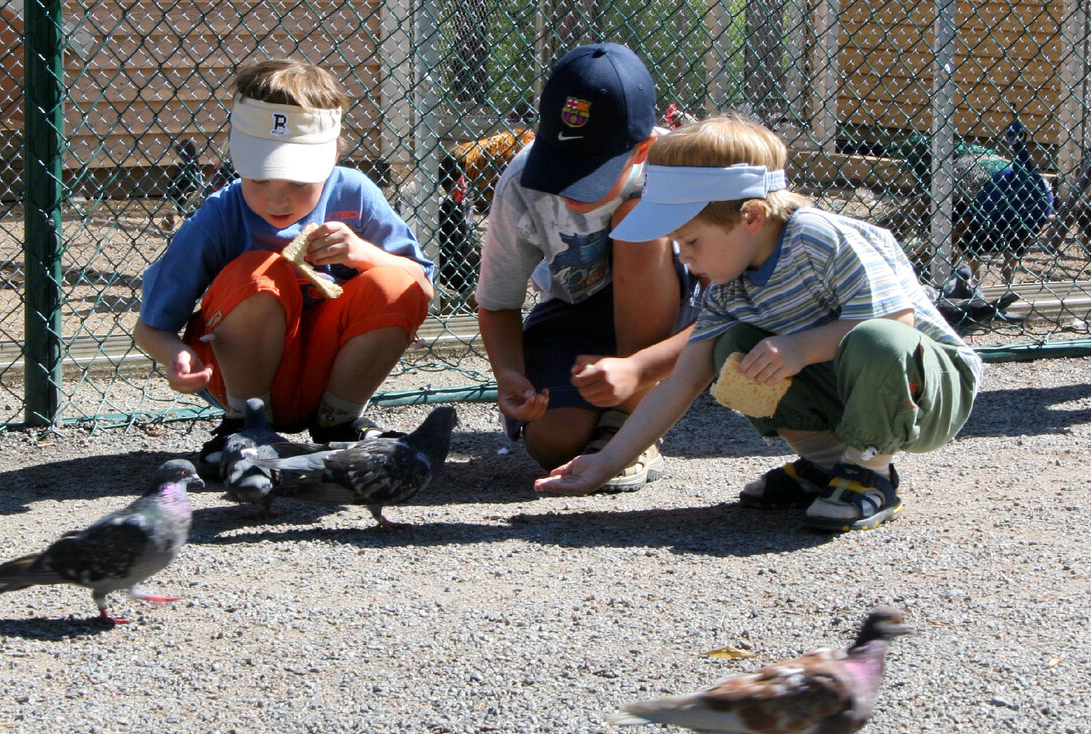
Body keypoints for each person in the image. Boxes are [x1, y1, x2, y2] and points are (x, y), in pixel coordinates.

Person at [536, 113, 981, 532]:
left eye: (690, 241)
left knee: (878, 338)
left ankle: (870, 473)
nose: (683, 257)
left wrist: (800, 348)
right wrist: (607, 461)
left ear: (751, 217)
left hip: (931, 390)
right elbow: (682, 381)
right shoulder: (728, 284)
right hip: (853, 385)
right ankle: (829, 465)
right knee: (732, 344)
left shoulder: (817, 237)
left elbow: (897, 321)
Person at [134, 59, 434, 476]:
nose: (277, 201)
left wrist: (366, 255)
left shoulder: (356, 194)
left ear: (333, 158)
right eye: (259, 179)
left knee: (393, 279)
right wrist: (178, 357)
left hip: (325, 375)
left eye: (297, 181)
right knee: (259, 270)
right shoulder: (222, 212)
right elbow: (149, 327)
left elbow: (418, 284)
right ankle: (245, 427)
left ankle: (339, 422)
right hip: (240, 379)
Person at [476, 43, 702, 492]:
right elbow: (497, 303)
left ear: (643, 150)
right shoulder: (521, 181)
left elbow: (729, 315)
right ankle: (609, 420)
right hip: (576, 310)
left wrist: (638, 369)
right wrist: (509, 375)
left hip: (675, 314)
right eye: (560, 165)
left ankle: (629, 424)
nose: (570, 188)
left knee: (635, 218)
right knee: (554, 444)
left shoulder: (682, 171)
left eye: (592, 170)